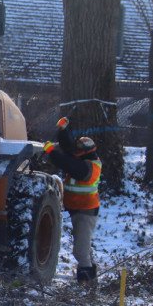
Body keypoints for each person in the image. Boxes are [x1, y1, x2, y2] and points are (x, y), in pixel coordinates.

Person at [45, 117, 101, 282]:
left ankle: (86, 281)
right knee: (84, 248)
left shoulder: (89, 167)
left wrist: (51, 152)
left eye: (78, 150)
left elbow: (67, 162)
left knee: (80, 251)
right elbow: (70, 149)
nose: (74, 152)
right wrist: (63, 131)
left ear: (85, 152)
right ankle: (90, 278)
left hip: (86, 211)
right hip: (78, 208)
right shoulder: (83, 157)